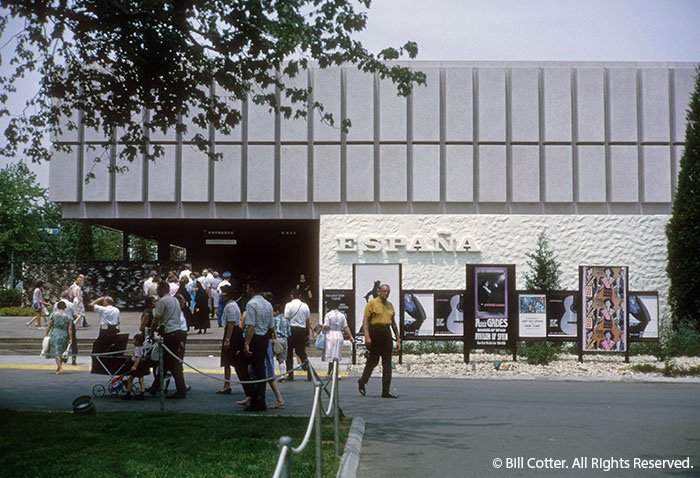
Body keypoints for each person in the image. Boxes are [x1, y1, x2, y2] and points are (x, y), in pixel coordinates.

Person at [357, 284, 400, 398]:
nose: (386, 293)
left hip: (386, 333)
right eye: (384, 291)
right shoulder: (372, 303)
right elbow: (365, 321)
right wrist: (367, 336)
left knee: (387, 363)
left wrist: (398, 339)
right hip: (375, 332)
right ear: (379, 291)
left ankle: (386, 391)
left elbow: (394, 323)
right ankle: (362, 381)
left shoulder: (390, 306)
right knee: (373, 361)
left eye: (388, 292)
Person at [150, 282, 188, 399]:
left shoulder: (163, 301)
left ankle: (181, 390)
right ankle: (154, 387)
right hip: (177, 333)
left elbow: (156, 319)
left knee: (173, 364)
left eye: (158, 289)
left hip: (169, 334)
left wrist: (151, 333)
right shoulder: (175, 300)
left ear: (162, 289)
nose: (157, 292)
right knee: (166, 363)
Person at [243, 280, 275, 411]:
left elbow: (250, 326)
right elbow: (271, 326)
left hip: (255, 338)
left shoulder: (251, 304)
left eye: (247, 288)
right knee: (261, 370)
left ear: (251, 289)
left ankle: (256, 400)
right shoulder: (268, 304)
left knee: (254, 371)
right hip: (264, 338)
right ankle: (261, 399)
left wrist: (247, 343)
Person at [284, 289, 314, 381]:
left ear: (291, 296)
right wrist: (307, 334)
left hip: (291, 330)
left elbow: (286, 320)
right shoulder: (305, 306)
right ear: (300, 296)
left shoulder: (288, 305)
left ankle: (290, 374)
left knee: (289, 353)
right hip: (302, 330)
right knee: (300, 351)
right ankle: (309, 370)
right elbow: (307, 321)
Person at [323, 308, 354, 376]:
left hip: (330, 335)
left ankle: (337, 372)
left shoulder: (328, 315)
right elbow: (345, 327)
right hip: (339, 335)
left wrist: (321, 325)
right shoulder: (342, 315)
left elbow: (327, 327)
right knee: (336, 354)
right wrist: (350, 336)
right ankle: (329, 372)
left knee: (331, 355)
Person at [44, 302, 73, 374]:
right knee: (62, 351)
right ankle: (59, 367)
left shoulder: (53, 314)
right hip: (64, 335)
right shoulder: (68, 317)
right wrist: (70, 338)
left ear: (57, 307)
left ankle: (60, 369)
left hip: (55, 334)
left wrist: (46, 333)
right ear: (65, 307)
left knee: (57, 352)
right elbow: (69, 329)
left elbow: (50, 324)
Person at [53, 290, 79, 365]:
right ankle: (74, 358)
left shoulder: (56, 304)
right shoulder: (71, 304)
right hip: (69, 324)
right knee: (73, 341)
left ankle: (60, 358)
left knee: (61, 341)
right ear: (67, 296)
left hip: (60, 325)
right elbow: (75, 315)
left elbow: (54, 314)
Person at [122, 333, 149, 400]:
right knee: (141, 379)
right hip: (142, 365)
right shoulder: (143, 348)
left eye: (134, 340)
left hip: (137, 365)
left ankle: (128, 393)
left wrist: (134, 366)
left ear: (137, 341)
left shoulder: (137, 349)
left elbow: (138, 358)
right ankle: (142, 393)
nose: (133, 341)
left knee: (130, 379)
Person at [273, 304, 290, 380]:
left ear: (277, 311)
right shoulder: (286, 320)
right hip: (284, 339)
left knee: (272, 357)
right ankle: (282, 375)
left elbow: (272, 329)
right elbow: (289, 333)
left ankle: (271, 374)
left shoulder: (274, 319)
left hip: (277, 339)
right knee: (282, 359)